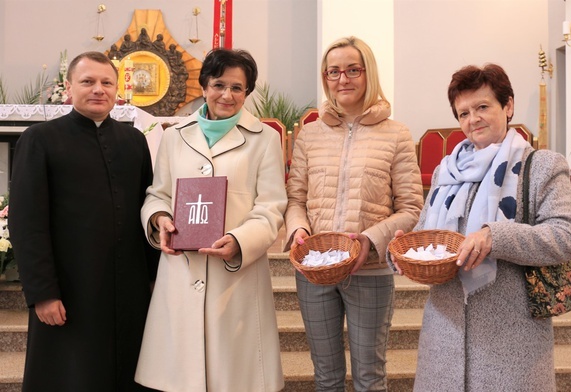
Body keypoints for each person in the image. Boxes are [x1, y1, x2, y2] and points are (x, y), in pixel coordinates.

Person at [389, 64, 571, 391]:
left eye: (482, 107)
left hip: (512, 338)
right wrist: (407, 247)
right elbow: (428, 233)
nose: (472, 119)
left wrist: (496, 236)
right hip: (444, 335)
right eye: (463, 113)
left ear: (508, 106)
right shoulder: (445, 172)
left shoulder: (542, 165)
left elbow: (564, 238)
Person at [134, 48, 287, 392]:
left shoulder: (265, 140)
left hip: (235, 277)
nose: (227, 95)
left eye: (237, 88)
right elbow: (157, 194)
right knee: (179, 377)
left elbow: (271, 207)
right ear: (204, 86)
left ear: (247, 92)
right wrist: (160, 219)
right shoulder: (174, 136)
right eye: (219, 85)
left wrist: (239, 240)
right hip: (182, 271)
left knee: (234, 377)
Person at [9, 51, 158, 391]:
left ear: (117, 89)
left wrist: (154, 279)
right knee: (72, 376)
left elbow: (146, 208)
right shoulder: (41, 139)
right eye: (88, 81)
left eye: (107, 82)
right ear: (69, 87)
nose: (98, 89)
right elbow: (26, 222)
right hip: (70, 289)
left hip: (128, 288)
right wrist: (42, 292)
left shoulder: (133, 141)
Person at [284, 36, 423, 391]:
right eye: (333, 72)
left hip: (371, 270)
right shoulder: (309, 135)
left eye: (352, 70)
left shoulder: (396, 134)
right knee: (326, 376)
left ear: (368, 73)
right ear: (325, 77)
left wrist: (369, 240)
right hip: (315, 268)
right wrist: (298, 231)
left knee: (369, 376)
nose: (342, 79)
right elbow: (295, 198)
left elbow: (411, 208)